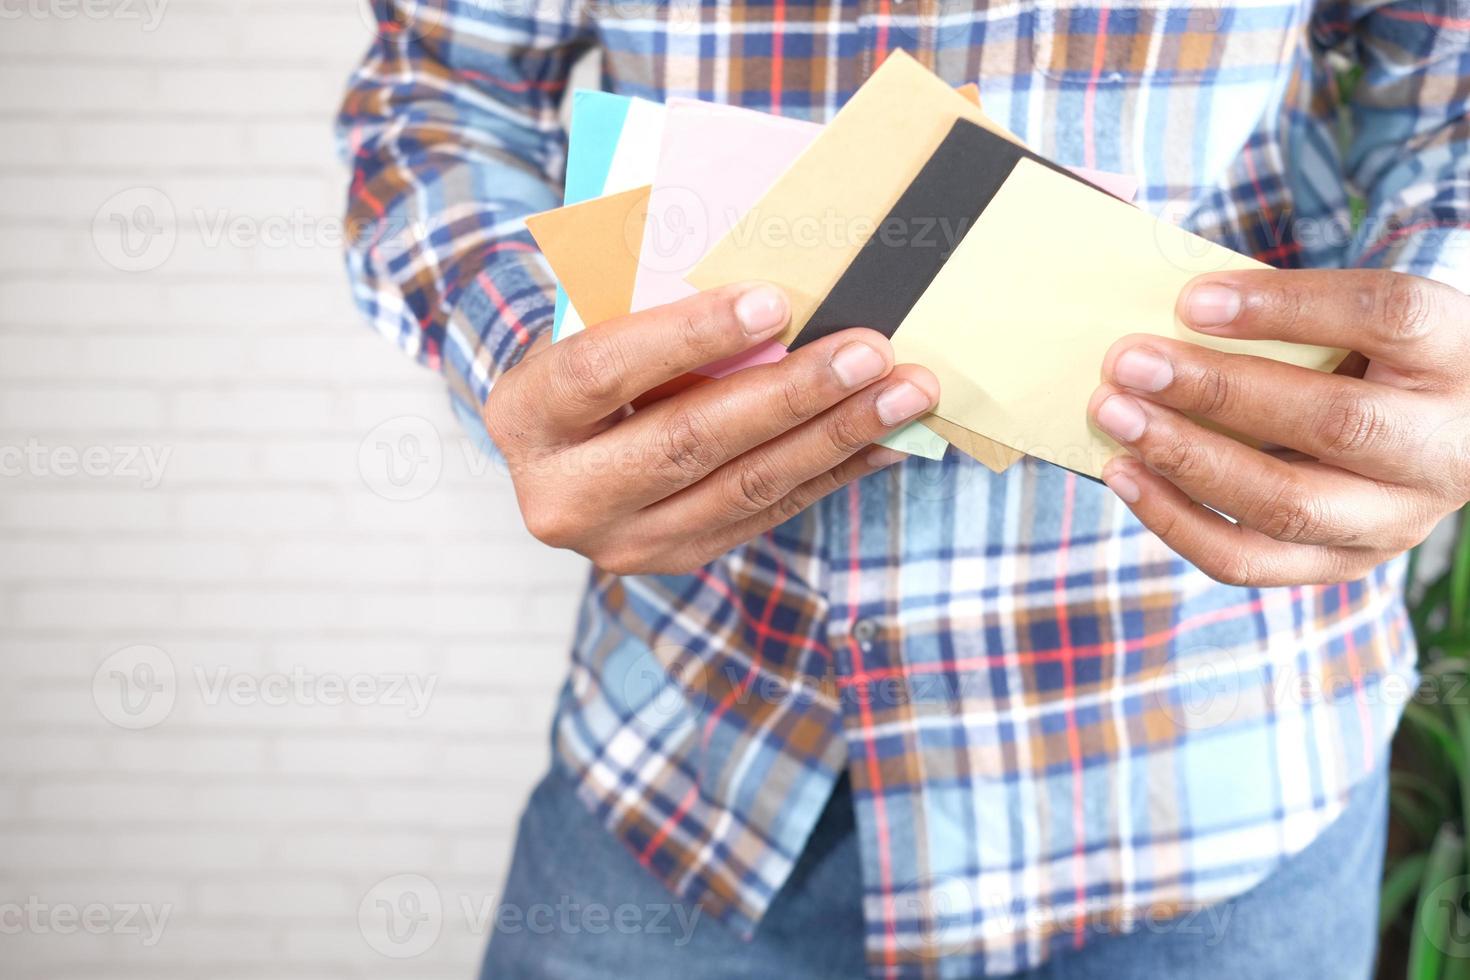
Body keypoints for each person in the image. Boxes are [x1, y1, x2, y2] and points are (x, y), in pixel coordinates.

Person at [337, 1, 1470, 975]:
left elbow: (1445, 86)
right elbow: (440, 90)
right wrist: (530, 362)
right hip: (692, 752)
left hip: (1220, 767)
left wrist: (1439, 328)